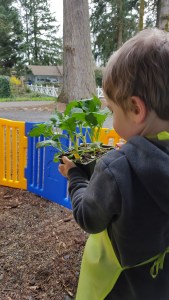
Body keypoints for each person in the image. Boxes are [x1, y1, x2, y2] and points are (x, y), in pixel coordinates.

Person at [58, 28, 169, 300]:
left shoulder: (115, 168)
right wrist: (134, 152)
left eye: (111, 110)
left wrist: (75, 176)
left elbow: (89, 218)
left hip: (118, 284)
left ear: (135, 109)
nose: (110, 118)